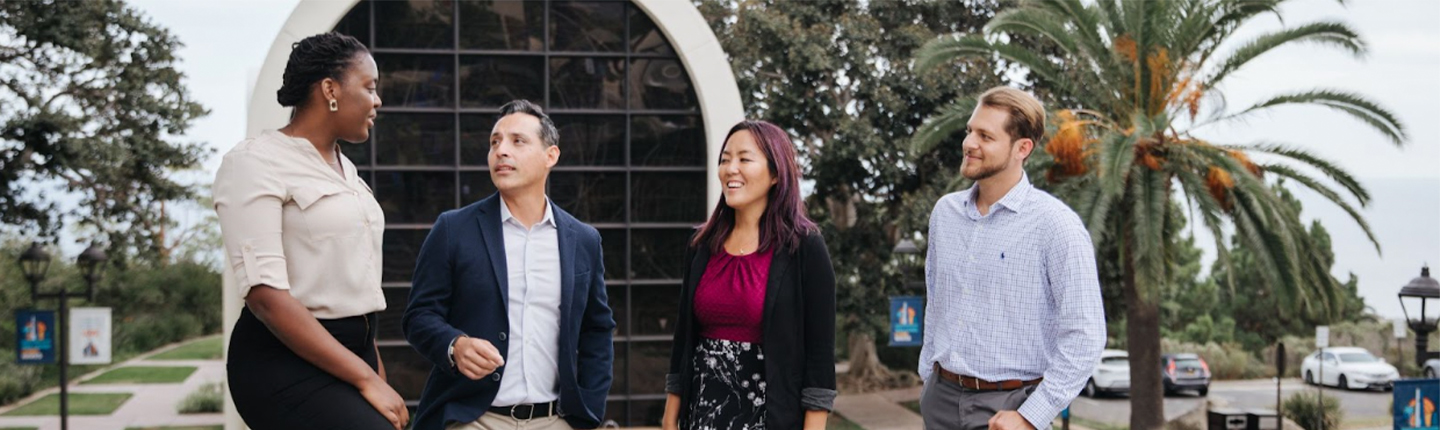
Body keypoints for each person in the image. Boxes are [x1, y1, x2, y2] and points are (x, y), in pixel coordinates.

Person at [213, 32, 404, 430]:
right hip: (283, 362)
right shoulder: (254, 162)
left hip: (357, 352)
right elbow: (266, 298)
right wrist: (366, 378)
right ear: (330, 89)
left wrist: (373, 368)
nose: (377, 100)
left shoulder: (345, 169)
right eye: (369, 87)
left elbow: (358, 289)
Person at [403, 100, 615, 430]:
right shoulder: (453, 229)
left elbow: (597, 329)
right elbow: (418, 316)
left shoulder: (584, 240)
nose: (501, 150)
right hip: (474, 419)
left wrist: (588, 410)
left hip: (556, 420)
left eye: (518, 141)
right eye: (494, 142)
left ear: (551, 156)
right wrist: (454, 344)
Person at [919, 86, 1106, 430]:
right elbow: (937, 302)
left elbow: (1086, 334)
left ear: (1022, 148)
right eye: (970, 131)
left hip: (1009, 411)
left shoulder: (1056, 225)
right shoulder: (944, 214)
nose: (969, 143)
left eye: (985, 136)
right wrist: (928, 379)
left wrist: (1031, 416)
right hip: (940, 402)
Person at [661, 120, 837, 430]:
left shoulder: (804, 247)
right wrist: (670, 415)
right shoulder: (701, 245)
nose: (730, 169)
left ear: (775, 173)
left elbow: (820, 356)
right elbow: (683, 339)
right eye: (725, 159)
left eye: (744, 158)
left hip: (771, 417)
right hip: (703, 415)